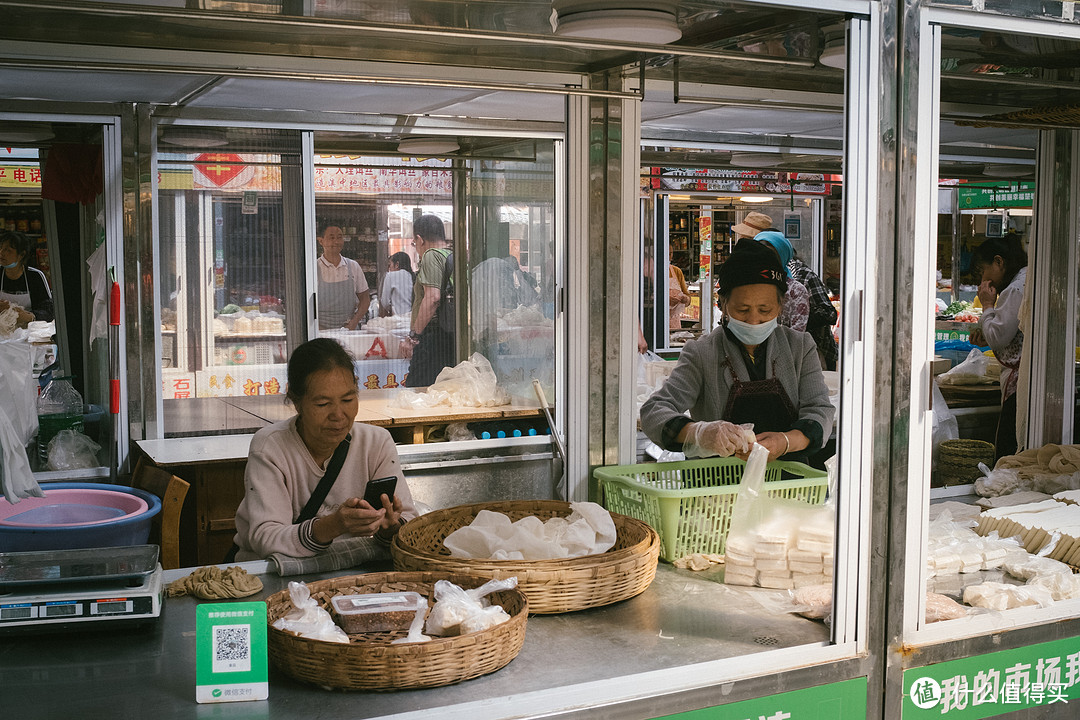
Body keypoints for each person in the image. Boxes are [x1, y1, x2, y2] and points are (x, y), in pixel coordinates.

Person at [641, 239, 833, 464]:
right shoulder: (702, 353)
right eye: (742, 310)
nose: (753, 320)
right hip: (714, 488)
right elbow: (654, 411)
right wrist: (700, 433)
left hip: (788, 483)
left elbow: (819, 410)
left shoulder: (799, 347)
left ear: (780, 306)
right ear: (722, 304)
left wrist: (786, 442)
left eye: (765, 310)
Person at [232, 338, 418, 560]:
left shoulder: (376, 442)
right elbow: (266, 537)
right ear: (296, 401)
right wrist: (333, 526)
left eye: (348, 399)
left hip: (351, 572)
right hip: (277, 574)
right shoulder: (270, 448)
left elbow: (408, 521)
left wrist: (390, 527)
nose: (338, 415)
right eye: (322, 404)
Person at [968, 235, 1028, 460]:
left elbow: (998, 337)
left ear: (999, 262)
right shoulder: (1024, 279)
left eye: (983, 270)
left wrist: (987, 305)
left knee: (1008, 447)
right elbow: (1010, 333)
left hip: (1022, 382)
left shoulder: (1014, 289)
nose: (983, 279)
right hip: (1028, 379)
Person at [758, 231, 837, 367]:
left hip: (803, 356)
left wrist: (800, 314)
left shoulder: (798, 282)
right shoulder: (752, 285)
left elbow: (829, 313)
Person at [402, 214, 455, 387]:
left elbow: (432, 298)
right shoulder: (453, 256)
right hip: (449, 338)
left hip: (432, 339)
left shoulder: (432, 256)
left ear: (419, 239)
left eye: (414, 243)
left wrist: (414, 336)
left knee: (417, 390)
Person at [317, 224, 370, 331]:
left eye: (339, 237)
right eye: (331, 238)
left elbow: (365, 299)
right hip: (321, 331)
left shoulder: (353, 266)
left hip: (348, 330)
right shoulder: (313, 268)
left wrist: (353, 322)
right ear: (321, 241)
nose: (336, 242)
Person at [755, 230, 810, 333]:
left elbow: (797, 335)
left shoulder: (796, 291)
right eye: (758, 254)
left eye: (771, 256)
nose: (764, 260)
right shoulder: (747, 287)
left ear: (782, 257)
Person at [0, 230, 53, 329]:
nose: (1, 253)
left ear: (21, 255)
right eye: (1, 248)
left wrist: (29, 316)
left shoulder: (35, 277)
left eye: (8, 250)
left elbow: (49, 311)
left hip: (29, 334)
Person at [378, 251, 414, 317]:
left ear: (397, 264)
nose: (389, 268)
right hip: (412, 318)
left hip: (398, 318)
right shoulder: (412, 276)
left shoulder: (390, 275)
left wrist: (391, 308)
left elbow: (385, 302)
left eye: (390, 265)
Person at [668, 249, 692, 331]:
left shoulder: (677, 271)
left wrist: (685, 299)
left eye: (670, 253)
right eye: (666, 253)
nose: (669, 256)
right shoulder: (652, 271)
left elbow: (688, 299)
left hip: (674, 322)